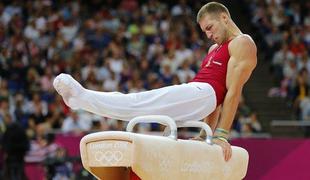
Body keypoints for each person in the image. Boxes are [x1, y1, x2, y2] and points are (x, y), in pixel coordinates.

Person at [53, 2, 257, 161]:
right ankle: (82, 100)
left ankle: (82, 98)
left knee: (138, 102)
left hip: (203, 93)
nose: (209, 35)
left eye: (210, 28)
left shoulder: (242, 43)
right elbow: (216, 101)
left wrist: (221, 136)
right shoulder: (214, 49)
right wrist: (207, 136)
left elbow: (232, 92)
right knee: (137, 106)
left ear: (224, 17)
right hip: (200, 96)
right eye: (205, 31)